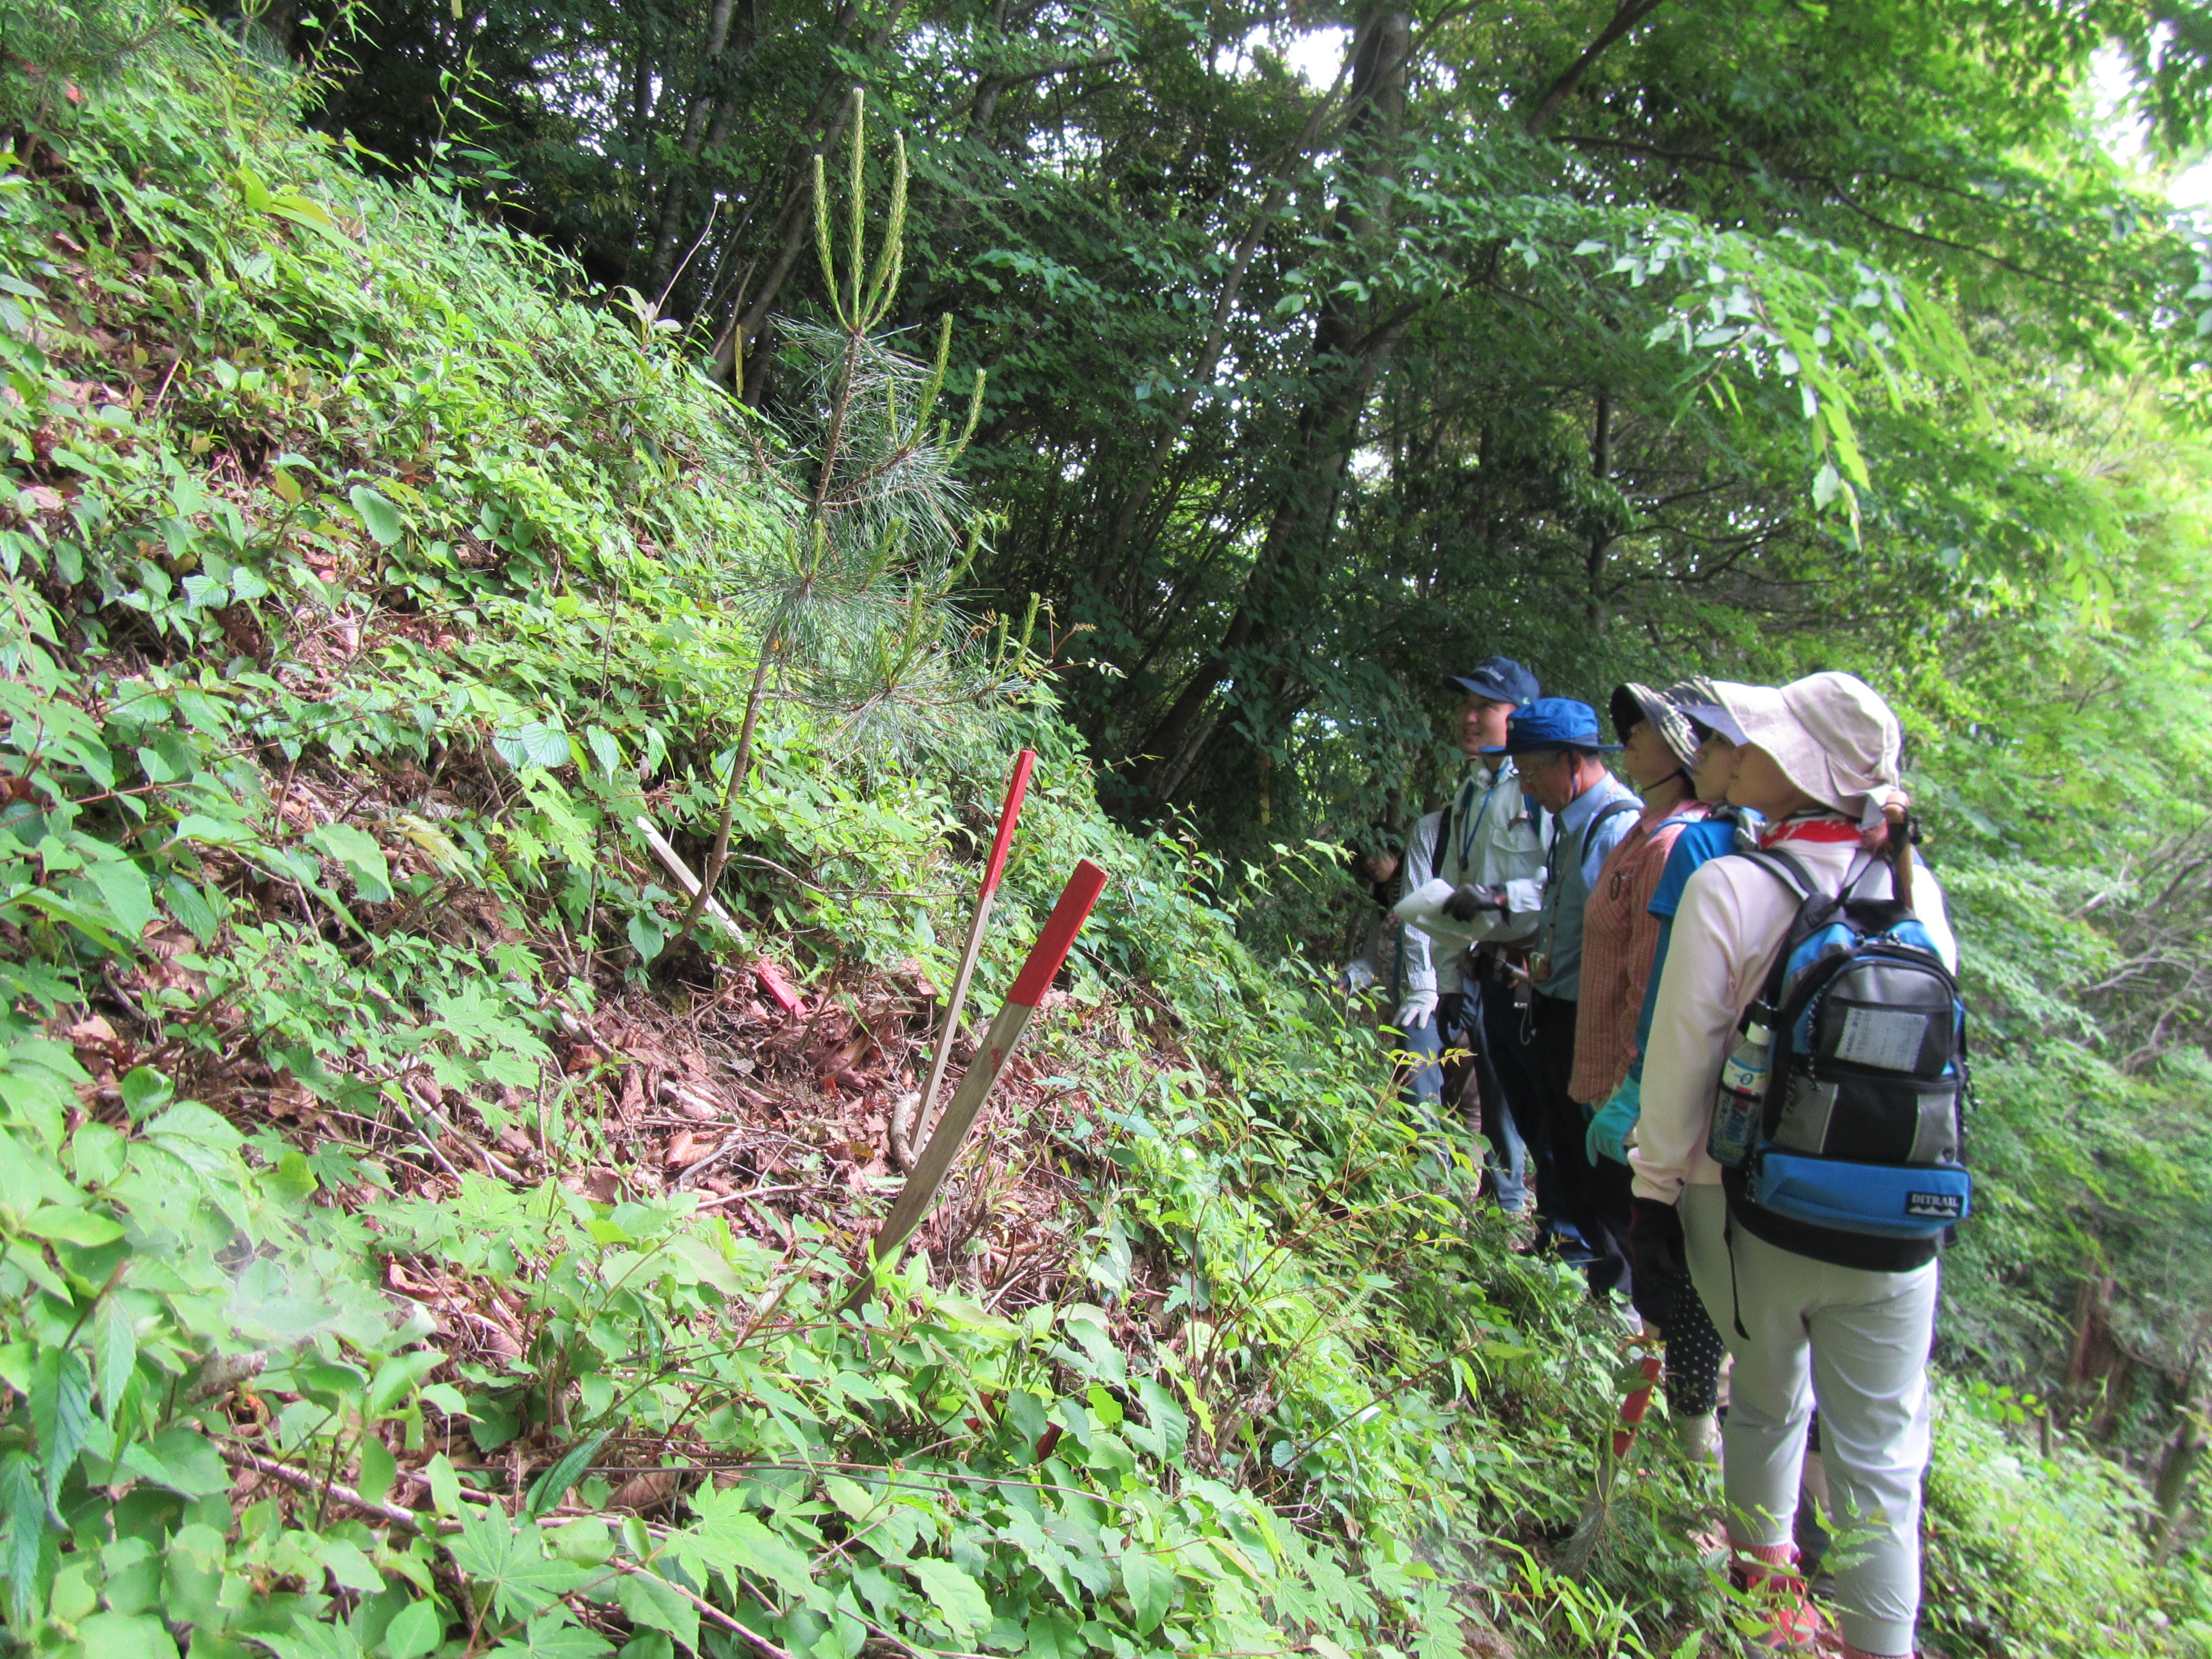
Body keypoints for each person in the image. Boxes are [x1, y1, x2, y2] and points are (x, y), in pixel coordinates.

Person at [1627, 672, 1954, 1659]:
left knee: (1767, 1403)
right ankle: (1875, 1647)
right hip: (1902, 1222)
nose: (1739, 749)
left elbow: (1679, 1070)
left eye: (1762, 738)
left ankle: (1765, 1601)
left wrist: (1654, 1196)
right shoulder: (1916, 890)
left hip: (1755, 1211)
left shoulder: (1732, 883)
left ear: (1802, 767)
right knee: (1886, 1462)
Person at [1575, 681, 1734, 1451]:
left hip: (1651, 1091)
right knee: (1645, 1252)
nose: (1627, 743)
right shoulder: (1645, 830)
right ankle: (1663, 1420)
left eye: (1640, 732)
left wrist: (1634, 1085)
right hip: (1621, 1072)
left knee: (1657, 1258)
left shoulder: (1682, 842)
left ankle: (1674, 1427)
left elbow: (1660, 979)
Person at [1454, 697, 1641, 1288]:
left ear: (1572, 764)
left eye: (1532, 774)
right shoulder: (1569, 825)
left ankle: (1606, 1281)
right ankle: (1566, 1254)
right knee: (1553, 1138)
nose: (1528, 791)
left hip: (1595, 1020)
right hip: (1552, 1006)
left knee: (1593, 1156)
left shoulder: (1617, 831)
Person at [1419, 657, 1543, 1213]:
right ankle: (1497, 1225)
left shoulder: (1540, 791)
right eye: (1464, 706)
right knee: (1493, 1106)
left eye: (1485, 707)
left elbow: (1564, 888)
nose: (1468, 718)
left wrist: (1502, 900)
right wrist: (1446, 981)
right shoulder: (1471, 791)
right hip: (1483, 971)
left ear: (1518, 716)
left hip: (1536, 979)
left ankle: (1516, 1220)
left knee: (1517, 1111)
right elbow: (1450, 895)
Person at [1342, 815, 1447, 1114]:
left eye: (1375, 854)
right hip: (1404, 1009)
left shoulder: (1429, 884)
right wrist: (1348, 979)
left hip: (1438, 1005)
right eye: (1364, 859)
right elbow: (1371, 960)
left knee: (1441, 1090)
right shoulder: (1382, 903)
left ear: (1397, 850)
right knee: (1416, 1089)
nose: (1370, 864)